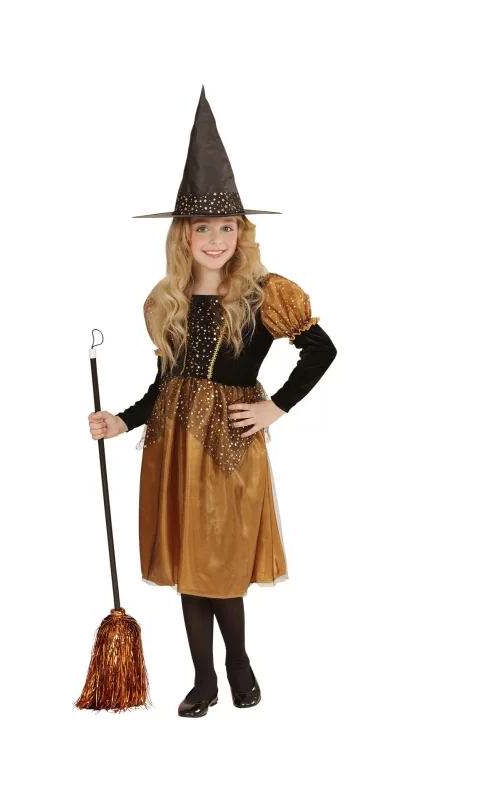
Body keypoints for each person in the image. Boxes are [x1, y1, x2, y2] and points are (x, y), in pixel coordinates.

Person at [87, 88, 337, 718]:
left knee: (221, 559)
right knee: (188, 561)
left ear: (241, 233)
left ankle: (239, 662)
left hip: (229, 445)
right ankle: (203, 678)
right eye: (204, 228)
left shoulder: (263, 293)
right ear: (184, 235)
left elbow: (321, 350)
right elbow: (163, 387)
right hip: (174, 445)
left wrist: (276, 407)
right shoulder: (165, 302)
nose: (217, 239)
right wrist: (122, 420)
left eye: (228, 227)